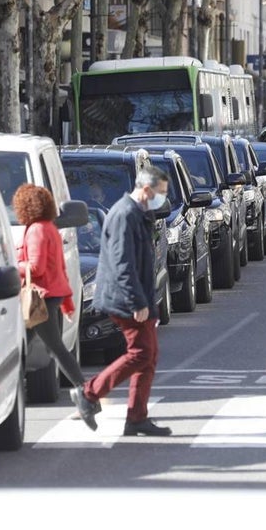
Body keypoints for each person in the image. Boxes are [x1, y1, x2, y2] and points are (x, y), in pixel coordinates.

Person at [76, 165, 173, 436]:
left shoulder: (138, 212)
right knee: (141, 353)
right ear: (145, 189)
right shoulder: (124, 214)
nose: (162, 198)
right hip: (127, 298)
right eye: (160, 192)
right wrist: (137, 302)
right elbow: (122, 264)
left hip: (139, 296)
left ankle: (137, 417)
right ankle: (89, 392)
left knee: (148, 356)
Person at [13, 184, 97, 427]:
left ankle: (87, 395)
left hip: (41, 298)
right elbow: (60, 268)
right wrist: (68, 302)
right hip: (51, 296)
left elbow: (37, 268)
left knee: (54, 349)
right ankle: (86, 396)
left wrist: (11, 266)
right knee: (30, 348)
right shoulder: (49, 228)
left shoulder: (37, 230)